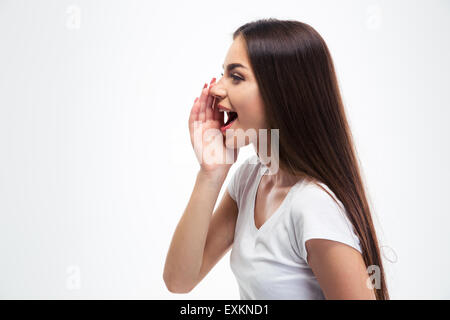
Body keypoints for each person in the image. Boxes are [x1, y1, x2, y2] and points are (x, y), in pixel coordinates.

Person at [163, 18, 389, 300]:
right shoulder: (249, 179)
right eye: (222, 74)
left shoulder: (312, 205)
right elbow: (179, 280)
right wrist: (211, 173)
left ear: (282, 93)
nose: (216, 89)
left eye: (236, 77)